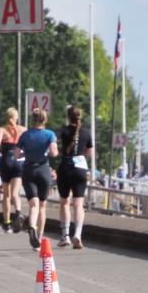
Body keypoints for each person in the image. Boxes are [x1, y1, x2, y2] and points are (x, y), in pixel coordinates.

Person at [17, 107, 59, 250]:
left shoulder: (25, 135)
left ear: (33, 119)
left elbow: (17, 155)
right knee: (42, 206)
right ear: (45, 119)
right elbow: (54, 152)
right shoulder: (50, 134)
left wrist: (27, 154)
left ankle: (31, 227)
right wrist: (48, 151)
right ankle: (39, 239)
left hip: (28, 170)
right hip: (43, 170)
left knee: (33, 204)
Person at [56, 105, 94, 249]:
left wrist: (62, 152)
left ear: (68, 117)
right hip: (80, 168)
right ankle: (77, 235)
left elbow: (56, 148)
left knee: (65, 202)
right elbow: (90, 153)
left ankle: (65, 236)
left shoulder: (63, 131)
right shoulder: (86, 132)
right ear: (80, 117)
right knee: (78, 204)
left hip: (65, 167)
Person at [0, 107, 27, 233]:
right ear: (16, 117)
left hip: (7, 159)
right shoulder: (23, 129)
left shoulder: (2, 129)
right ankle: (18, 213)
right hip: (19, 158)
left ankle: (6, 223)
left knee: (6, 195)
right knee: (15, 193)